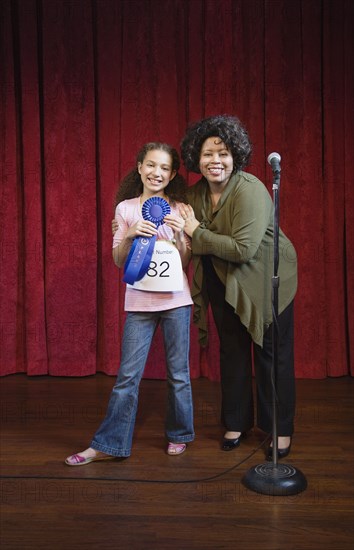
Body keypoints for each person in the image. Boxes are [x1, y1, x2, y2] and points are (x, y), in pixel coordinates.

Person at [65, 142, 195, 466]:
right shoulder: (124, 209)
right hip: (139, 303)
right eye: (151, 165)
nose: (157, 173)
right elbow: (117, 259)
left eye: (164, 168)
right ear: (139, 167)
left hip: (177, 301)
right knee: (127, 377)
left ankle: (179, 434)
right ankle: (109, 443)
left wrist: (180, 236)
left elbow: (186, 261)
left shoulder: (181, 209)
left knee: (178, 374)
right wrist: (130, 234)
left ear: (173, 174)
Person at [179, 115, 297, 460]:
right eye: (207, 154)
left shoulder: (252, 189)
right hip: (222, 279)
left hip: (266, 279)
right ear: (196, 159)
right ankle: (236, 422)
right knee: (231, 352)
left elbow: (243, 249)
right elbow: (177, 225)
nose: (215, 160)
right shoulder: (194, 193)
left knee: (271, 356)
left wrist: (197, 233)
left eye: (224, 153)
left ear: (236, 157)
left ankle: (279, 428)